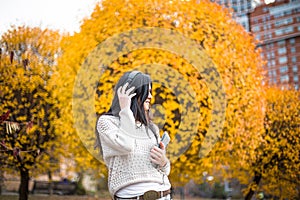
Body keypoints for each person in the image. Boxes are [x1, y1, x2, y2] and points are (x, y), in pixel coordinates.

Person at [96, 70, 172, 200]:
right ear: (129, 93)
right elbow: (126, 145)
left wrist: (164, 162)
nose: (150, 97)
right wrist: (125, 109)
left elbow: (165, 171)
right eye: (146, 92)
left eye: (151, 92)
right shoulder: (107, 122)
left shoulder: (151, 128)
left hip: (163, 194)